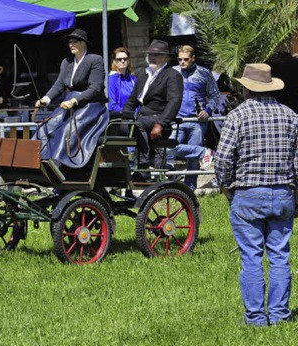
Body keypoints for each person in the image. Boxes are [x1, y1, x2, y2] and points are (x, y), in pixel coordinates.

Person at [214, 63, 298, 326]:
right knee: (280, 256)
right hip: (284, 193)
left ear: (246, 88)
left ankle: (255, 318)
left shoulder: (237, 116)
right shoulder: (291, 116)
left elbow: (222, 159)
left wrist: (226, 185)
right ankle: (280, 315)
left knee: (251, 257)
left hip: (248, 193)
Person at [33, 28, 108, 169]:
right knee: (45, 127)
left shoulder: (95, 60)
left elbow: (95, 88)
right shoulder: (66, 62)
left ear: (84, 43)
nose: (71, 44)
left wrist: (75, 100)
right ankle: (39, 161)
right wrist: (46, 99)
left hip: (90, 105)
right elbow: (59, 84)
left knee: (67, 129)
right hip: (69, 102)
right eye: (70, 42)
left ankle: (60, 164)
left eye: (75, 41)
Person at [122, 39, 183, 181]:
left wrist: (161, 123)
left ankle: (143, 166)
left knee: (137, 125)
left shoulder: (172, 75)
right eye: (150, 55)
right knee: (117, 125)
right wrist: (122, 116)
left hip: (159, 118)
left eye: (157, 55)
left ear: (166, 57)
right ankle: (118, 168)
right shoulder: (143, 74)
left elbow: (174, 102)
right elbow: (132, 100)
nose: (152, 58)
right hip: (141, 118)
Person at [167, 45, 220, 190]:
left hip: (197, 122)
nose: (182, 62)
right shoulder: (172, 72)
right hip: (176, 120)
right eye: (180, 59)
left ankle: (190, 190)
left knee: (193, 159)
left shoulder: (204, 73)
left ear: (193, 58)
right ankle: (169, 185)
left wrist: (208, 110)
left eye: (185, 59)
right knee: (168, 149)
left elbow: (215, 95)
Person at [108, 47, 137, 117]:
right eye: (119, 59)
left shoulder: (133, 79)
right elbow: (111, 105)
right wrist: (128, 113)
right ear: (114, 61)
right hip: (119, 117)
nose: (123, 61)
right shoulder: (111, 79)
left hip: (136, 116)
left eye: (125, 59)